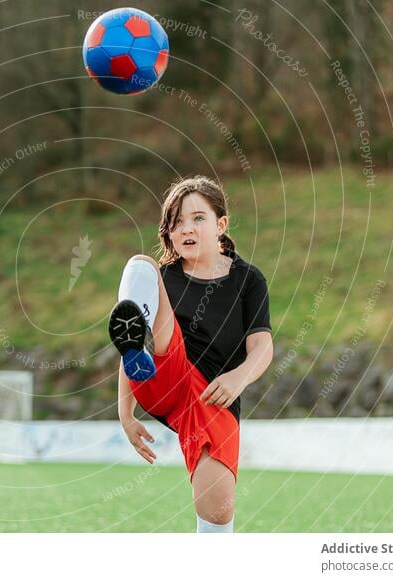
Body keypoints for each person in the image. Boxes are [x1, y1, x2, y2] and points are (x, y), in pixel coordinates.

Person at [108, 175, 273, 533]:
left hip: (214, 396)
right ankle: (143, 345)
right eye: (176, 222)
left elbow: (262, 347)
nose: (186, 228)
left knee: (217, 511)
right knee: (141, 267)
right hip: (166, 376)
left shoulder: (248, 280)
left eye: (198, 218)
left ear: (221, 224)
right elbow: (131, 336)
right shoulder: (165, 278)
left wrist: (238, 377)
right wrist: (125, 413)